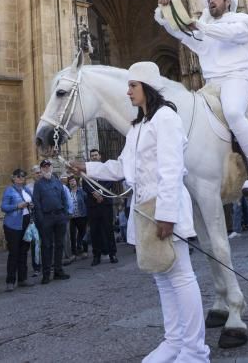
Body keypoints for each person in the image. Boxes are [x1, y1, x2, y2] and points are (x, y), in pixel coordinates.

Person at [72, 62, 209, 363]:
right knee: (161, 276)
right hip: (144, 208)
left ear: (146, 87)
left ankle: (195, 351)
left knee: (181, 275)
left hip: (163, 205)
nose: (128, 91)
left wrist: (168, 213)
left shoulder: (166, 118)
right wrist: (87, 167)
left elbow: (172, 168)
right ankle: (173, 341)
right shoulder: (137, 127)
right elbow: (122, 168)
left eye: (132, 86)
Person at [156, 0, 248, 201]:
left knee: (233, 112)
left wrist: (199, 25)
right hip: (213, 83)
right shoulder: (206, 29)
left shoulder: (240, 22)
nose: (211, 1)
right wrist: (165, 12)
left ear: (227, 1)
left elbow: (230, 35)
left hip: (238, 77)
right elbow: (183, 34)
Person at [32, 159, 71, 284]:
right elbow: (36, 203)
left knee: (59, 244)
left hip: (59, 216)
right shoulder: (38, 185)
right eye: (44, 167)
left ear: (51, 167)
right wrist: (41, 220)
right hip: (46, 218)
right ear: (41, 169)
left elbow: (64, 198)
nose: (46, 168)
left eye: (48, 166)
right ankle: (46, 274)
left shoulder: (57, 182)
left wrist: (64, 214)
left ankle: (58, 271)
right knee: (47, 246)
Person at [83, 149, 119, 266]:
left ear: (99, 156)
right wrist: (94, 193)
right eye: (92, 155)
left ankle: (112, 254)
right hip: (93, 205)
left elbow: (110, 182)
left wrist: (99, 192)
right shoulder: (86, 170)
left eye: (96, 155)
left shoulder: (106, 168)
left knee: (108, 229)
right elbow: (85, 185)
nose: (94, 157)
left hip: (105, 203)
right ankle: (96, 255)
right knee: (94, 231)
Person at [0, 169, 33, 291]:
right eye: (18, 176)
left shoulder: (26, 190)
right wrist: (17, 206)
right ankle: (10, 281)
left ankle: (22, 279)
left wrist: (31, 205)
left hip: (26, 223)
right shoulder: (9, 190)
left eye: (23, 176)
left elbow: (31, 201)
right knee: (14, 252)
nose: (21, 178)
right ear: (13, 178)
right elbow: (3, 207)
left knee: (24, 252)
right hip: (13, 225)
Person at [67, 176, 89, 260]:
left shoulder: (81, 191)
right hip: (72, 217)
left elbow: (86, 201)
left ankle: (85, 251)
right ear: (69, 183)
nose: (72, 182)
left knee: (82, 233)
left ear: (76, 182)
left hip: (82, 215)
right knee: (72, 235)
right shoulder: (68, 192)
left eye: (73, 181)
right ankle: (74, 252)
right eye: (70, 181)